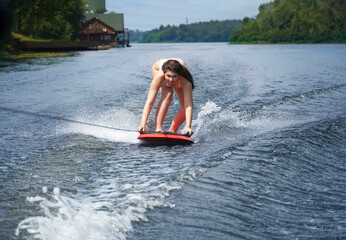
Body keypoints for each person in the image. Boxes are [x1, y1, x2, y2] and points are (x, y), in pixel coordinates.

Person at [137, 58, 194, 136]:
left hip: (177, 71)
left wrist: (188, 127)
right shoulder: (159, 77)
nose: (170, 80)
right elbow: (149, 103)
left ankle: (172, 130)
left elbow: (188, 106)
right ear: (164, 74)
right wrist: (142, 125)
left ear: (179, 75)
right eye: (168, 76)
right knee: (168, 94)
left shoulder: (185, 81)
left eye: (174, 76)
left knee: (184, 106)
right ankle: (157, 128)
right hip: (157, 68)